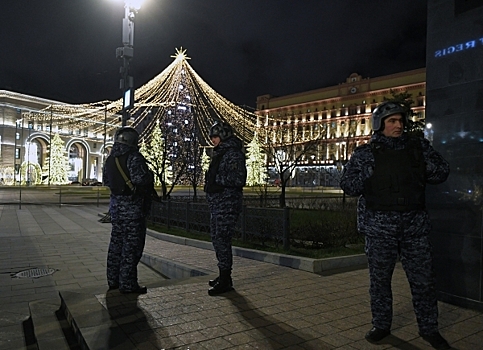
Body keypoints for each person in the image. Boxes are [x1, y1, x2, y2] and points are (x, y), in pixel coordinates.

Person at [340, 101, 451, 349]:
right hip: (380, 230)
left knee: (423, 281)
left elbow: (442, 171)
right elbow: (348, 186)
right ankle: (381, 325)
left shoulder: (418, 148)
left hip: (414, 228)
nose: (398, 125)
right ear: (380, 124)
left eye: (401, 120)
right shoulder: (365, 153)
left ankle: (429, 329)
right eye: (392, 121)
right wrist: (369, 175)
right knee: (380, 282)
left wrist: (420, 167)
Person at [103, 127, 154, 294]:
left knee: (116, 245)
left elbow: (106, 181)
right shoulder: (134, 157)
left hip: (116, 210)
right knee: (132, 248)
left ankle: (113, 280)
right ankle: (128, 283)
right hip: (132, 211)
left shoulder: (110, 159)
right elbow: (141, 180)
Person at [204, 121, 246, 296]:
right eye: (212, 137)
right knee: (217, 239)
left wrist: (215, 180)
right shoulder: (221, 153)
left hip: (227, 204)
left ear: (223, 136)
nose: (213, 140)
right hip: (218, 204)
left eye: (215, 136)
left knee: (222, 239)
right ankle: (223, 276)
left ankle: (225, 279)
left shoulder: (233, 154)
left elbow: (238, 179)